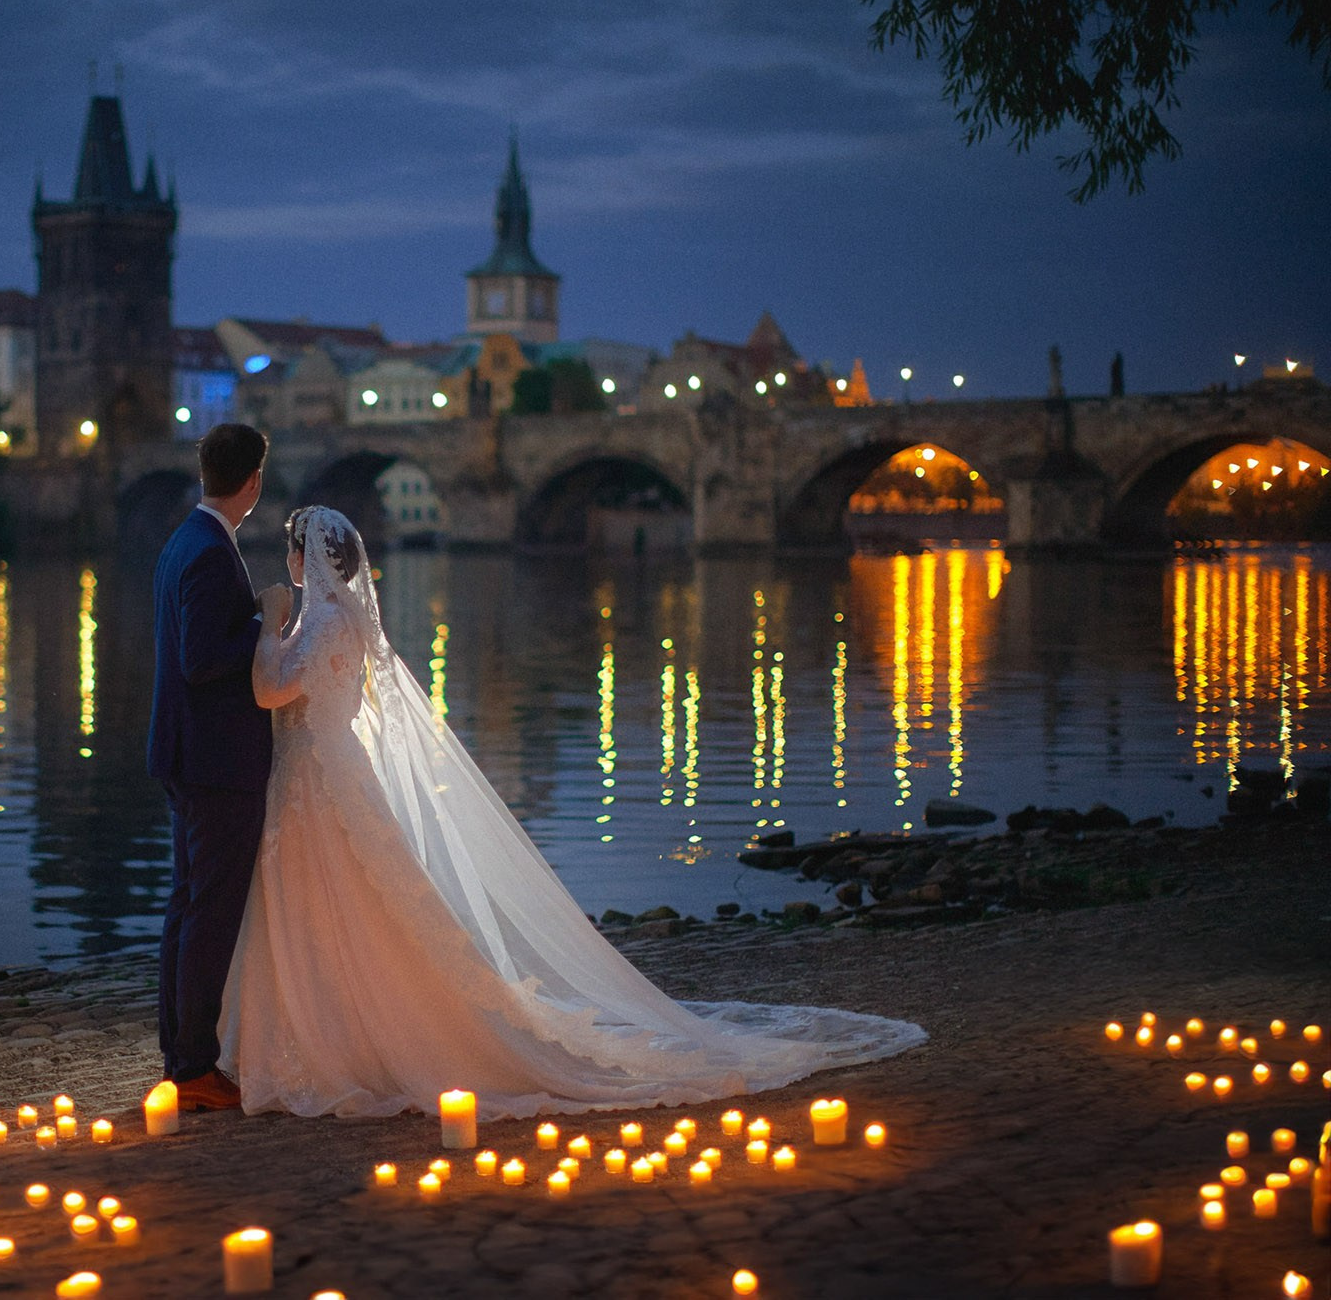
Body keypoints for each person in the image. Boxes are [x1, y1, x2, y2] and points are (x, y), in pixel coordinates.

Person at [219, 505, 925, 1118]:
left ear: (308, 557)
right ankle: (335, 1026)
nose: (288, 561)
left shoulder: (315, 623)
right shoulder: (345, 620)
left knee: (333, 900)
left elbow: (273, 691)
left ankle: (338, 1037)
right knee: (353, 901)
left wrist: (268, 625)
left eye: (293, 550)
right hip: (329, 775)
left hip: (318, 779)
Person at [147, 423, 290, 1112]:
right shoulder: (208, 552)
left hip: (186, 752)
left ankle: (180, 1051)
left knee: (187, 904)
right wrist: (265, 624)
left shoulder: (184, 540)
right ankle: (194, 1064)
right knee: (208, 911)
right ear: (253, 482)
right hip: (215, 760)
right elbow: (203, 659)